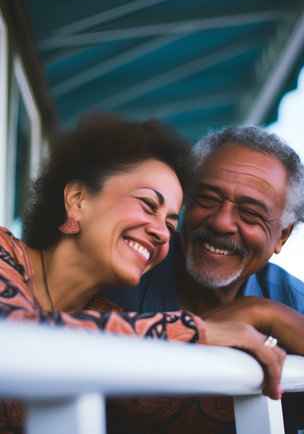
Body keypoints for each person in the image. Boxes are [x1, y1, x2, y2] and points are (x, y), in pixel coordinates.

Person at [0, 113, 289, 433]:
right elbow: (19, 333)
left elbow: (183, 410)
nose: (163, 234)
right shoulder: (3, 253)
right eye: (148, 204)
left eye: (170, 224)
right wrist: (204, 330)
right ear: (78, 199)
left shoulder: (106, 316)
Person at [102, 125, 304, 433]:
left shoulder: (294, 302)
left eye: (250, 213)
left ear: (282, 235)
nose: (221, 222)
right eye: (208, 198)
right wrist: (255, 313)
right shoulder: (127, 263)